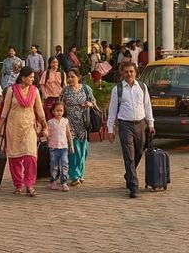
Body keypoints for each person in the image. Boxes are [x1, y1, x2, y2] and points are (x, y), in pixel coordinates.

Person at [107, 61, 154, 199]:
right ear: (122, 73)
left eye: (131, 71)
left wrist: (151, 124)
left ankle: (129, 174)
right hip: (125, 125)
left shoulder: (142, 87)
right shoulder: (118, 89)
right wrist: (110, 129)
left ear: (136, 72)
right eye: (126, 72)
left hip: (141, 124)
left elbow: (147, 106)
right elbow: (112, 111)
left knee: (139, 152)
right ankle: (133, 186)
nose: (129, 74)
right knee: (129, 156)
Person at [0, 67, 47, 197]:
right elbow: (5, 110)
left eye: (33, 77)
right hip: (13, 128)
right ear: (23, 77)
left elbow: (39, 110)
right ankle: (18, 185)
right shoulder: (11, 90)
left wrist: (45, 126)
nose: (32, 79)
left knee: (31, 156)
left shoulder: (34, 90)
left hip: (29, 127)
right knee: (15, 158)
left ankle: (29, 185)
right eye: (30, 77)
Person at [60, 68, 96, 186]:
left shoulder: (86, 89)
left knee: (83, 150)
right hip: (70, 124)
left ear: (79, 77)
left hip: (84, 123)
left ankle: (80, 173)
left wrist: (89, 104)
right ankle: (74, 175)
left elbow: (94, 103)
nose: (70, 79)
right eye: (68, 77)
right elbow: (60, 105)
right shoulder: (65, 90)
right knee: (73, 149)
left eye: (73, 77)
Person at [46, 101, 71, 191]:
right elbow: (47, 134)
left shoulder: (65, 121)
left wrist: (71, 145)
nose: (59, 112)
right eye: (57, 110)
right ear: (53, 111)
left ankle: (64, 182)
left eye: (61, 110)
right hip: (53, 147)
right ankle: (53, 181)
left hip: (64, 147)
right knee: (54, 165)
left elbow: (68, 133)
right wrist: (44, 134)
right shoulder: (50, 122)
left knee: (65, 164)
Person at [40, 55, 65, 120]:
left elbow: (64, 85)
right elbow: (42, 84)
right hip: (49, 98)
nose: (55, 64)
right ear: (50, 64)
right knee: (49, 117)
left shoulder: (62, 73)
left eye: (56, 62)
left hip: (59, 98)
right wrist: (44, 94)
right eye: (53, 62)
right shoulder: (46, 73)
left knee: (58, 116)